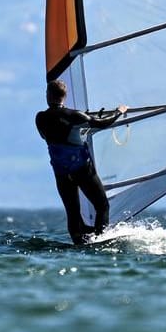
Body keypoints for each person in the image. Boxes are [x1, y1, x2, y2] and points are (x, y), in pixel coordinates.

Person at [35, 79, 126, 244]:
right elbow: (102, 123)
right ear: (65, 95)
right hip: (82, 170)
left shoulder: (40, 118)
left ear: (48, 96)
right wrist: (119, 111)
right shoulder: (75, 115)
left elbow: (46, 136)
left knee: (72, 211)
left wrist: (82, 125)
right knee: (102, 206)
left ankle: (79, 241)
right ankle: (100, 239)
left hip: (61, 173)